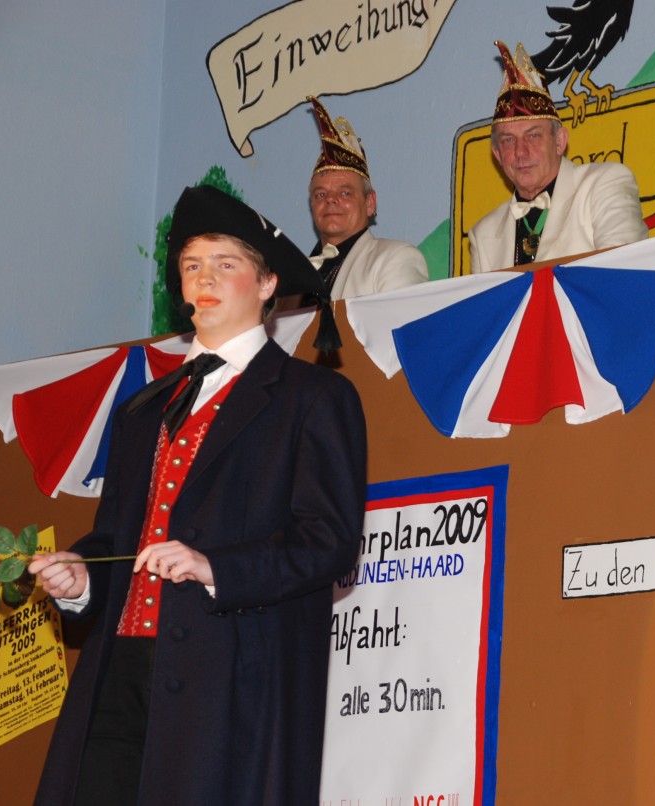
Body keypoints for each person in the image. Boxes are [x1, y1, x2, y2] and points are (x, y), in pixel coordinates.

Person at [28, 185, 367, 805]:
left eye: (224, 263)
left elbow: (330, 542)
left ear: (267, 284)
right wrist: (83, 576)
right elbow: (116, 537)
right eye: (191, 265)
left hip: (231, 682)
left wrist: (216, 568)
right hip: (118, 673)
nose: (203, 278)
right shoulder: (141, 410)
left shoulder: (313, 397)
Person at [467, 41, 648, 273]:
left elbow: (623, 273)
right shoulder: (482, 235)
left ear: (560, 141)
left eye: (533, 136)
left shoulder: (605, 184)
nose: (520, 152)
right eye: (508, 140)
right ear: (497, 155)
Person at [306, 95, 428, 299]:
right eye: (320, 194)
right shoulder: (290, 277)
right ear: (312, 205)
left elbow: (401, 319)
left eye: (345, 193)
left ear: (370, 203)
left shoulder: (394, 259)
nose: (330, 199)